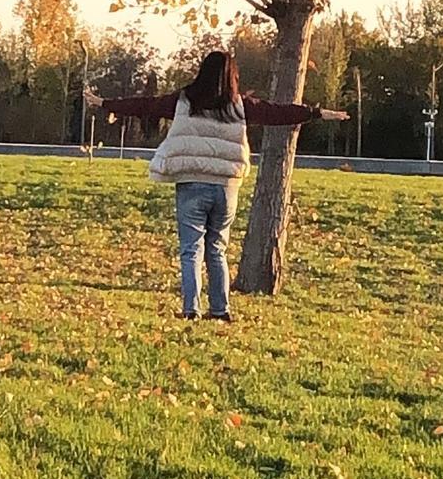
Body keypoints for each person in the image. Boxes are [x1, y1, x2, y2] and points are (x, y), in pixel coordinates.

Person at [85, 50, 348, 322]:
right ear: (232, 75)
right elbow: (277, 112)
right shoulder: (240, 105)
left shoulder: (183, 100)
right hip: (226, 187)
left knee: (191, 250)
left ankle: (191, 310)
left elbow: (145, 105)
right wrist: (316, 113)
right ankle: (221, 310)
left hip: (191, 184)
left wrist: (104, 103)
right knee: (217, 249)